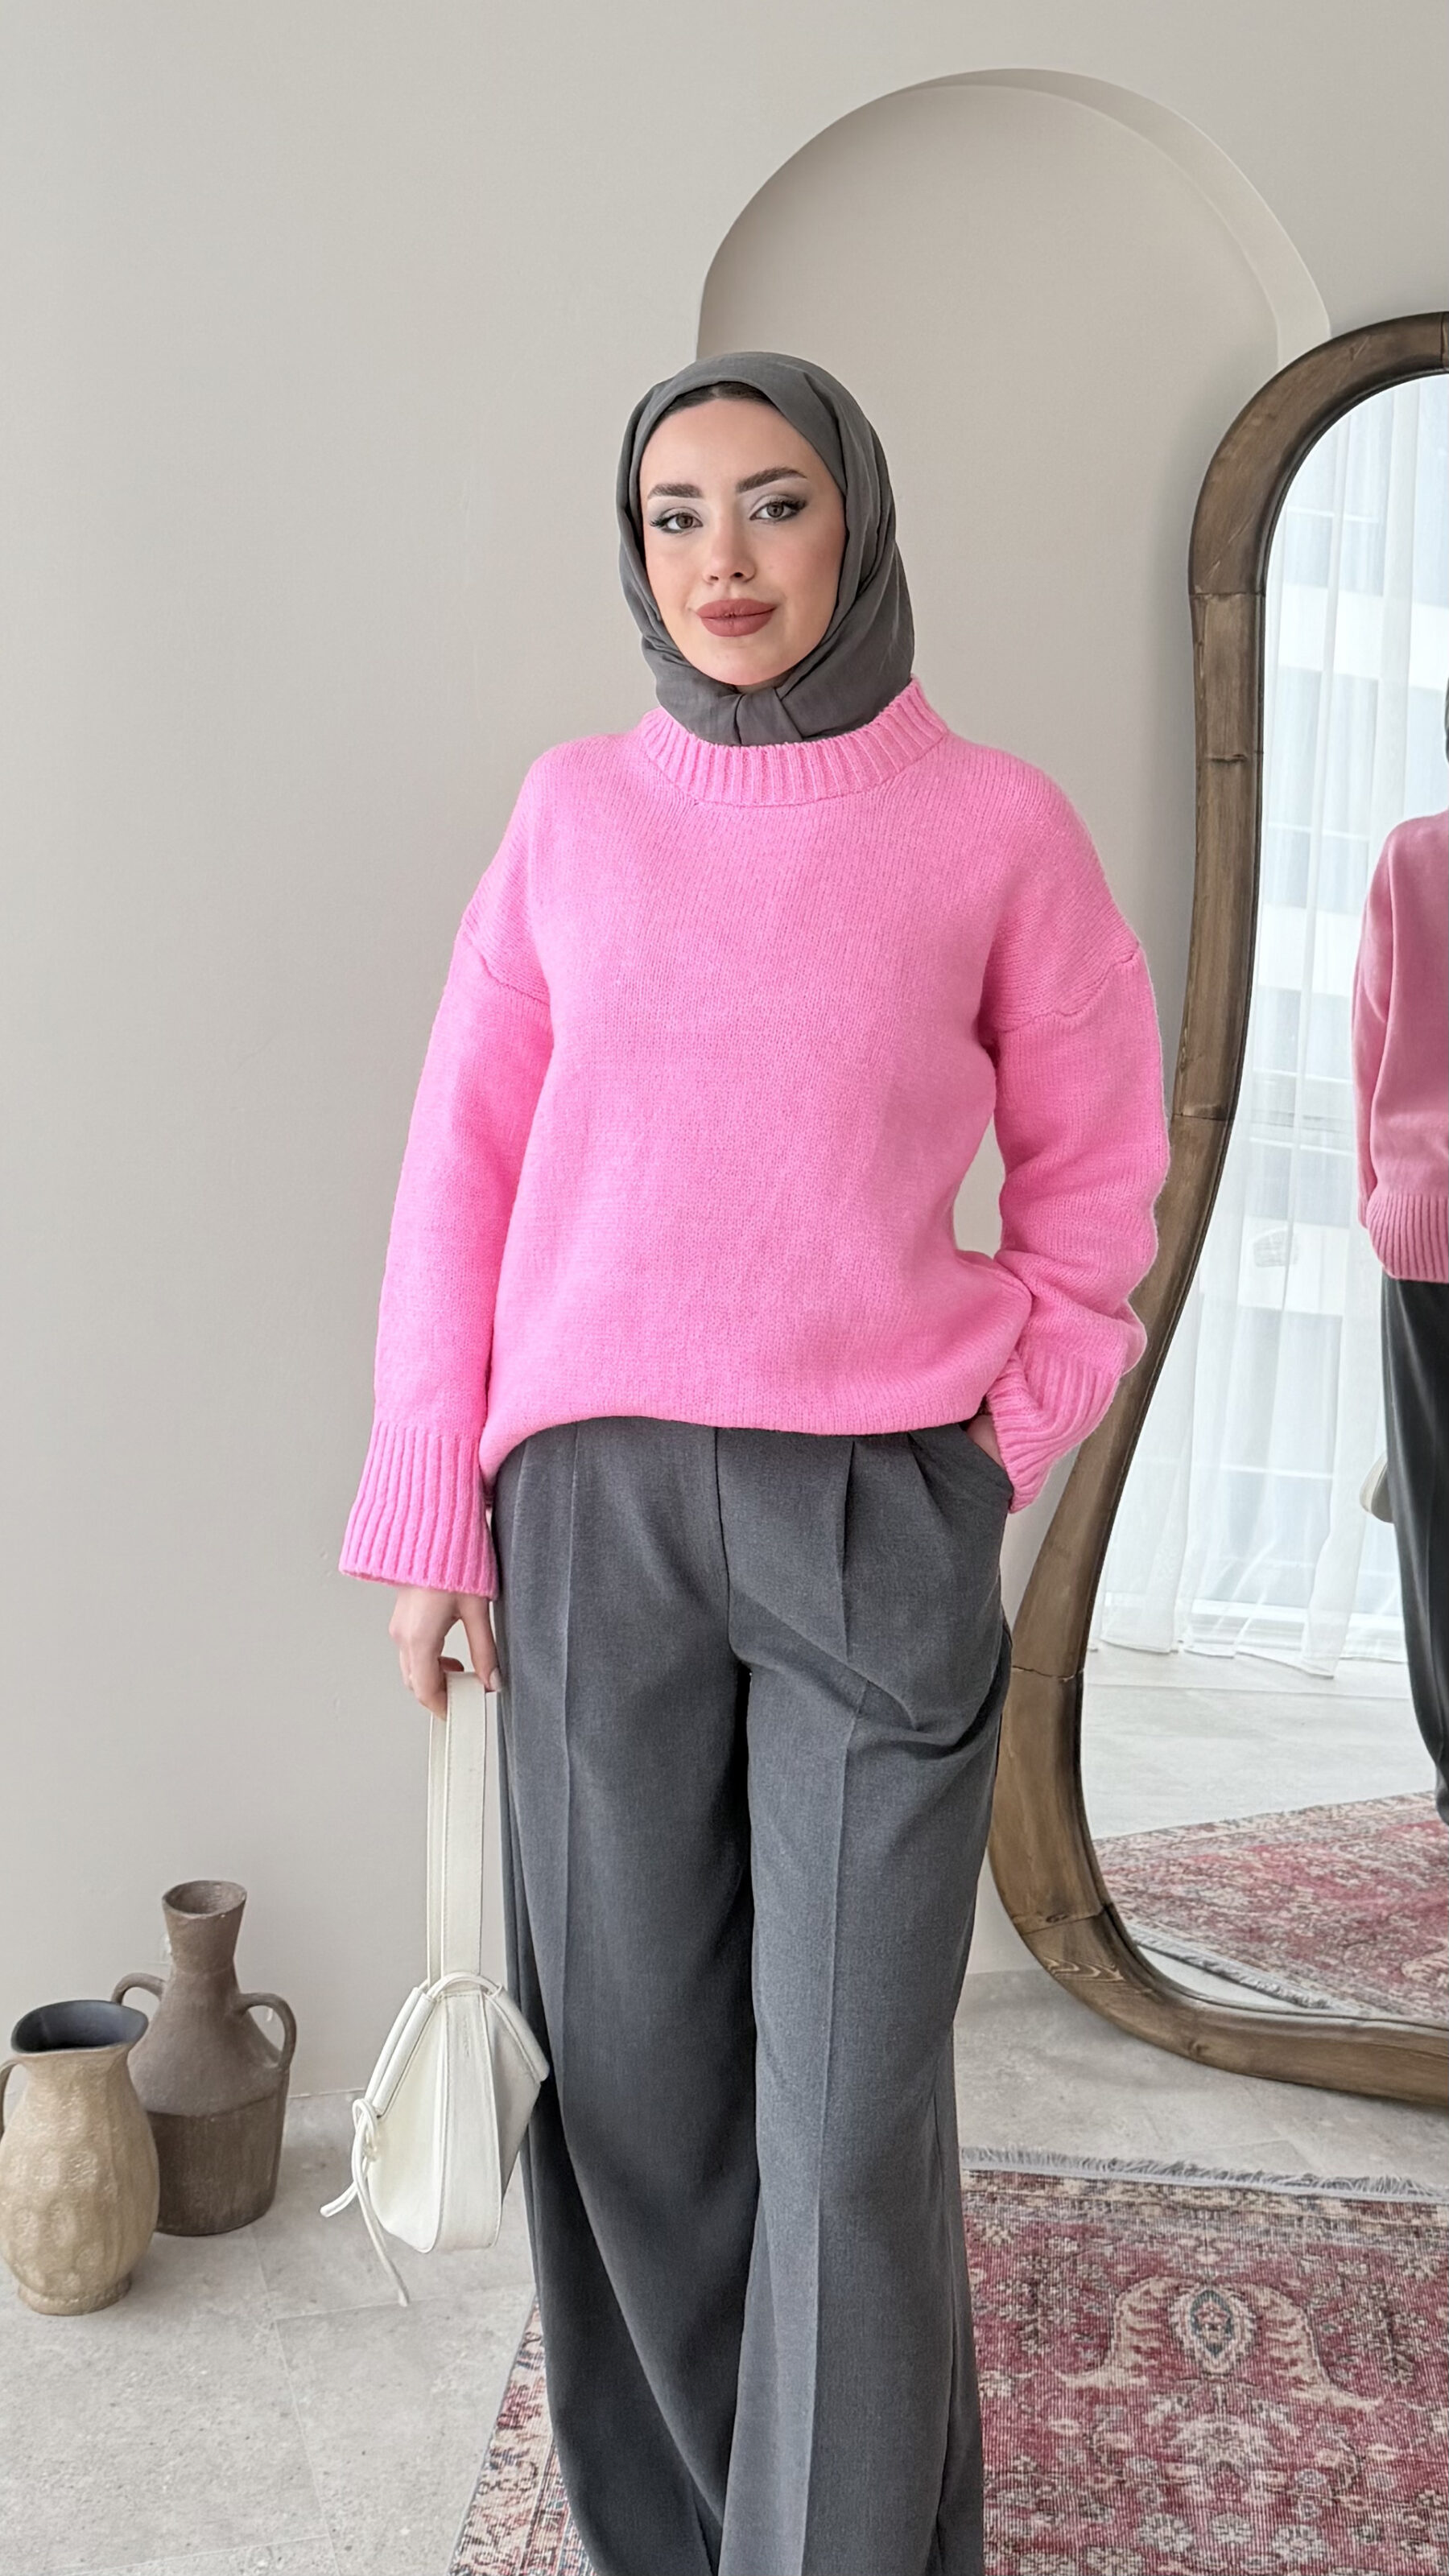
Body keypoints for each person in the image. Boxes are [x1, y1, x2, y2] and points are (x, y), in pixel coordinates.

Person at [339, 350, 1171, 2576]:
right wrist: (431, 1513)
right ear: (635, 550)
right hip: (589, 1518)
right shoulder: (570, 816)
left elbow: (1101, 1180)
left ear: (858, 523)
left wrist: (997, 1439)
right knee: (630, 2104)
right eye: (676, 513)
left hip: (871, 1516)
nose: (723, 557)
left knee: (844, 2119)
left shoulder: (996, 826)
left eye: (775, 503)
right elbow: (459, 1174)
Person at [1350, 683, 1449, 1826]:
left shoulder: (1413, 855)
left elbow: (1370, 1038)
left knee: (1434, 1509)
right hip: (1421, 1222)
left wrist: (1376, 1201)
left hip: (1425, 1226)